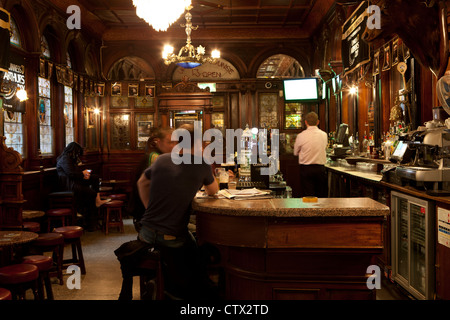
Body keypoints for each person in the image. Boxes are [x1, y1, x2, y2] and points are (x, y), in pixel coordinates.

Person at [136, 124, 219, 299]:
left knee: (189, 236)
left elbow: (142, 183)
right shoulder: (201, 164)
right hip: (170, 237)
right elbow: (214, 191)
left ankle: (160, 282)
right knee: (198, 250)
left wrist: (148, 208)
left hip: (146, 232)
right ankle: (181, 292)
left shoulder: (163, 159)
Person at [128, 127, 176, 231]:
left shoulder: (157, 155)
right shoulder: (156, 157)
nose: (174, 146)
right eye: (170, 142)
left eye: (175, 143)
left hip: (149, 214)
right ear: (158, 142)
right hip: (147, 216)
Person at [56, 142, 110, 231]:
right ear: (72, 151)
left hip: (74, 182)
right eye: (76, 153)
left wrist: (84, 174)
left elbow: (74, 173)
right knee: (91, 193)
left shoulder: (68, 158)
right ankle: (90, 223)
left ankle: (97, 200)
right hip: (69, 186)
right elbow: (71, 174)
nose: (77, 155)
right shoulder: (64, 159)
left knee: (95, 178)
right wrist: (83, 174)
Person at [293, 111, 328, 198]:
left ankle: (310, 211)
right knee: (321, 195)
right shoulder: (324, 135)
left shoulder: (301, 136)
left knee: (308, 195)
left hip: (306, 169)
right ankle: (321, 211)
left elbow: (295, 152)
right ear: (318, 122)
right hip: (320, 168)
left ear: (305, 122)